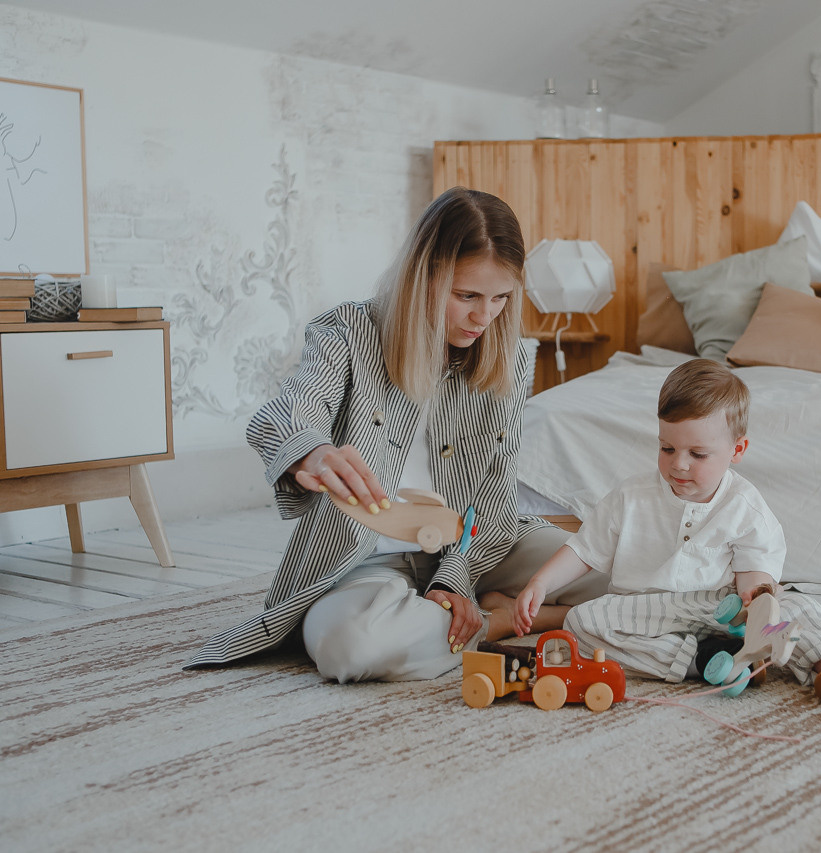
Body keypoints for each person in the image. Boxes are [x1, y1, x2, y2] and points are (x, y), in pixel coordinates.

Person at [186, 187, 605, 680]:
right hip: (365, 560)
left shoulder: (508, 355)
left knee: (632, 583)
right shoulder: (349, 331)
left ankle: (467, 613)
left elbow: (493, 492)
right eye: (466, 295)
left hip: (482, 548)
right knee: (353, 648)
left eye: (500, 298)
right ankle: (494, 622)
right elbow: (287, 411)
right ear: (423, 276)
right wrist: (315, 454)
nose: (483, 316)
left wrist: (454, 577)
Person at [511, 358, 821, 714]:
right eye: (667, 448)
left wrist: (756, 600)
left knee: (796, 606)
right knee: (583, 622)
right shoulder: (630, 496)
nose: (679, 465)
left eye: (698, 454)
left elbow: (756, 574)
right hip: (644, 611)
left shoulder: (744, 505)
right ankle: (706, 663)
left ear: (738, 450)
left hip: (720, 611)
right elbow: (584, 550)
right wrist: (541, 583)